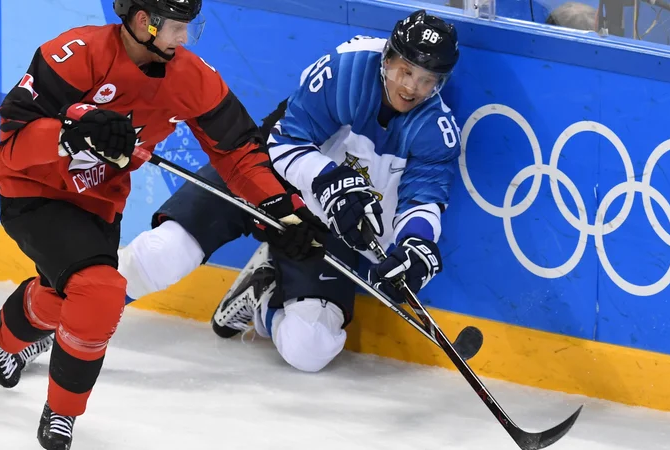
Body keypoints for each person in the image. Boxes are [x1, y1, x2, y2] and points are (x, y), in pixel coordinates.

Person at [0, 0, 326, 448]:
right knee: (101, 290)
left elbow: (238, 152)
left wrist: (280, 206)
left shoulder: (192, 77)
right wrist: (70, 132)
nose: (184, 38)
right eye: (175, 26)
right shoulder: (76, 54)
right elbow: (11, 144)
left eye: (190, 27)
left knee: (68, 295)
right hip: (37, 192)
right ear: (141, 20)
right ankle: (61, 415)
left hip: (100, 204)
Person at [118, 9, 461, 375]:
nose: (410, 88)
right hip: (265, 178)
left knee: (309, 347)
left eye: (427, 81)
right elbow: (284, 143)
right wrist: (331, 182)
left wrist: (416, 245)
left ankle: (263, 295)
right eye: (405, 71)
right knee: (160, 254)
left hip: (328, 226)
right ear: (387, 58)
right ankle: (61, 314)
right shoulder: (345, 71)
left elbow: (422, 200)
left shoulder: (436, 130)